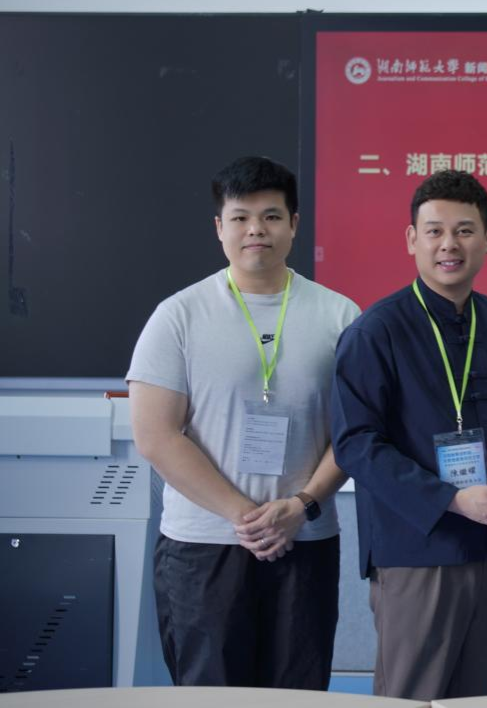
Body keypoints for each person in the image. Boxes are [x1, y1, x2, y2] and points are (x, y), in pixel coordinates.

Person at [127, 156, 359, 688]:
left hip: (305, 539)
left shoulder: (340, 316)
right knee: (210, 692)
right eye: (240, 217)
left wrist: (301, 507)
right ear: (219, 227)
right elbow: (156, 435)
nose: (256, 229)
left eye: (271, 216)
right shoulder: (178, 316)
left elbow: (355, 433)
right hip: (203, 544)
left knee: (298, 693)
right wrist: (246, 517)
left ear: (294, 224)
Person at [330, 169, 487, 701]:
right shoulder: (376, 331)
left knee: (475, 695)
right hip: (416, 547)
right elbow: (355, 443)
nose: (450, 244)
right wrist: (450, 498)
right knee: (412, 696)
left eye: (465, 230)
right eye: (435, 231)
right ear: (411, 240)